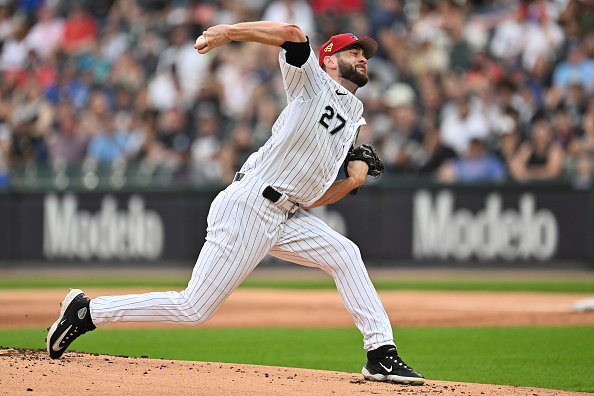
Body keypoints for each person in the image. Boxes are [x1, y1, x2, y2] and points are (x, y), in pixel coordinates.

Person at [46, 21, 425, 385]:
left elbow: (312, 201)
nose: (362, 57)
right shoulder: (313, 83)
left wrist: (354, 180)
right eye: (352, 51)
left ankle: (381, 353)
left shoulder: (354, 115)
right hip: (251, 205)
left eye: (364, 53)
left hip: (288, 213)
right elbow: (292, 35)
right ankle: (87, 312)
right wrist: (229, 32)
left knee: (345, 253)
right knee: (193, 308)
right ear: (328, 59)